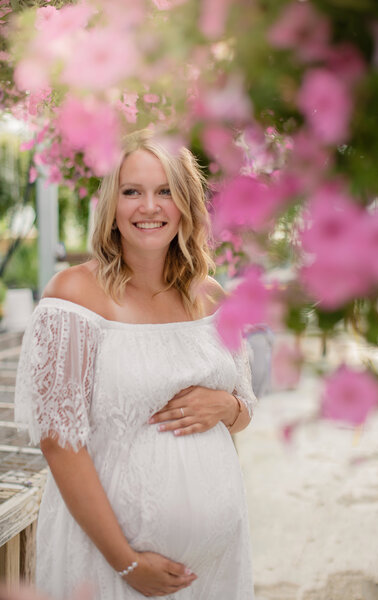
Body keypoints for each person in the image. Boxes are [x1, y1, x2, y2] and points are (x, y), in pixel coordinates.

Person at [14, 129, 258, 599]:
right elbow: (58, 442)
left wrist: (225, 406)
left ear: (186, 204)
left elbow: (245, 409)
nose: (150, 207)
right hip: (109, 566)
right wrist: (127, 563)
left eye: (165, 191)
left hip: (217, 565)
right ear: (112, 205)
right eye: (133, 192)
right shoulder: (73, 295)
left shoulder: (212, 297)